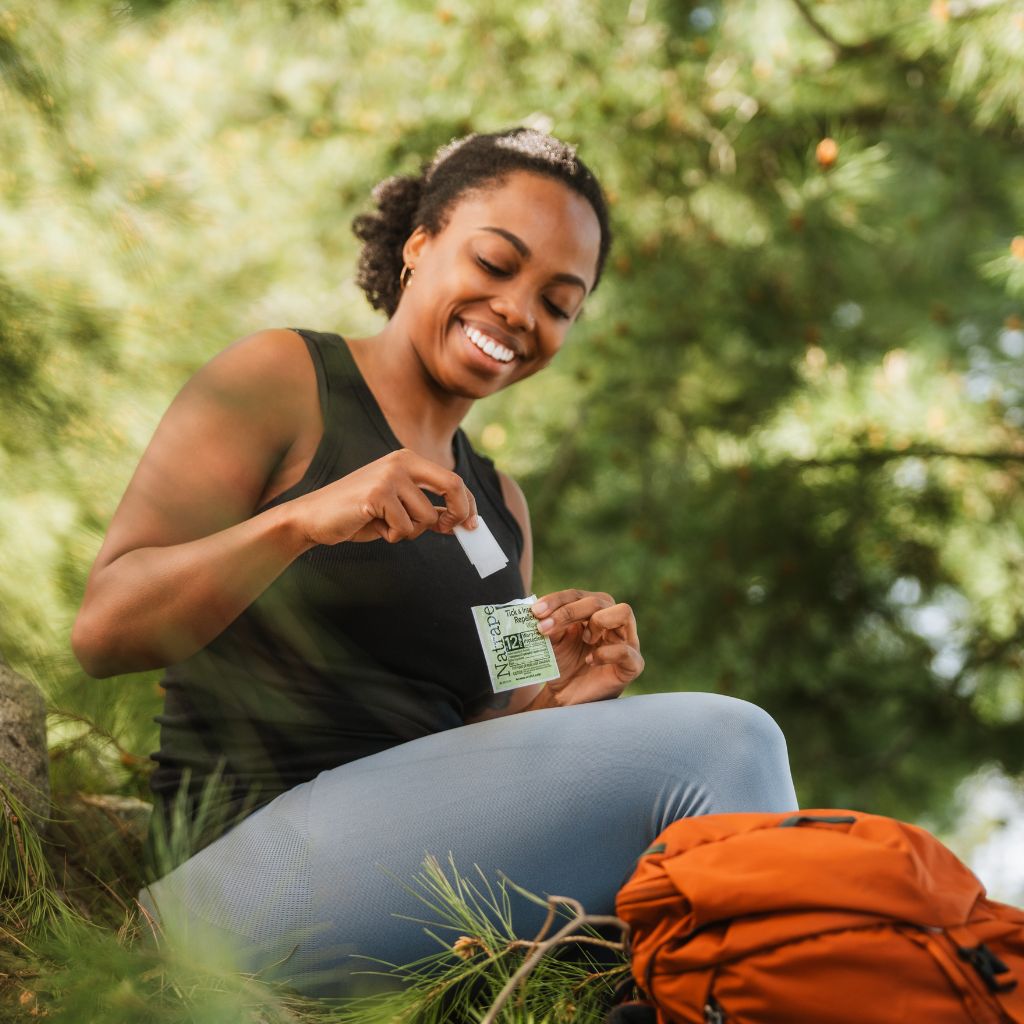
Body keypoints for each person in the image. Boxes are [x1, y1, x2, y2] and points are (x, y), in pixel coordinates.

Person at [71, 128, 798, 995]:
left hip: (400, 878)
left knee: (700, 860)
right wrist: (302, 521)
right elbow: (104, 631)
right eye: (495, 263)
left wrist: (563, 700)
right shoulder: (287, 380)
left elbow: (481, 741)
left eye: (560, 303)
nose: (520, 311)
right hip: (240, 879)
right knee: (729, 743)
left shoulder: (503, 510)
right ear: (418, 246)